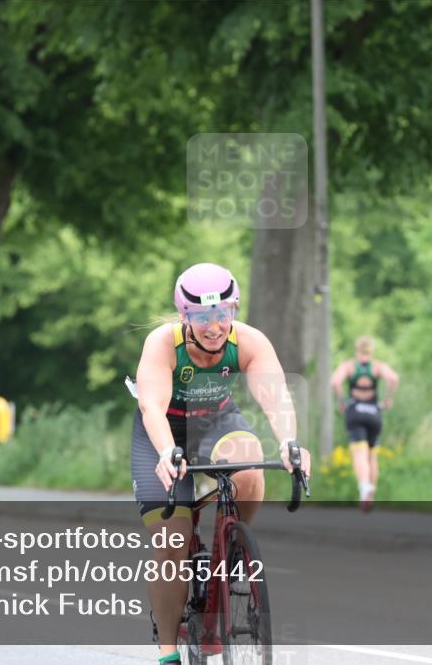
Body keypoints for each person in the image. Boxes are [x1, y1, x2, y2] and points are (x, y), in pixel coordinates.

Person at [131, 262, 311, 665]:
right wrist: (165, 451)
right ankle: (168, 651)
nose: (214, 326)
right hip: (164, 432)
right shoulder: (163, 344)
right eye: (201, 316)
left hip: (217, 421)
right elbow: (151, 406)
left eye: (223, 313)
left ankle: (230, 554)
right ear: (185, 316)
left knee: (248, 467)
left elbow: (276, 396)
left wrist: (288, 442)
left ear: (234, 309)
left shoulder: (248, 341)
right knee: (171, 540)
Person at [330, 335, 399, 512]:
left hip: (355, 412)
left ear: (356, 350)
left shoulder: (348, 366)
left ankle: (364, 487)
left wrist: (340, 401)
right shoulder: (377, 367)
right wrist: (388, 399)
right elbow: (393, 379)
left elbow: (335, 382)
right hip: (374, 412)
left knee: (359, 454)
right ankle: (371, 493)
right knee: (372, 456)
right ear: (371, 350)